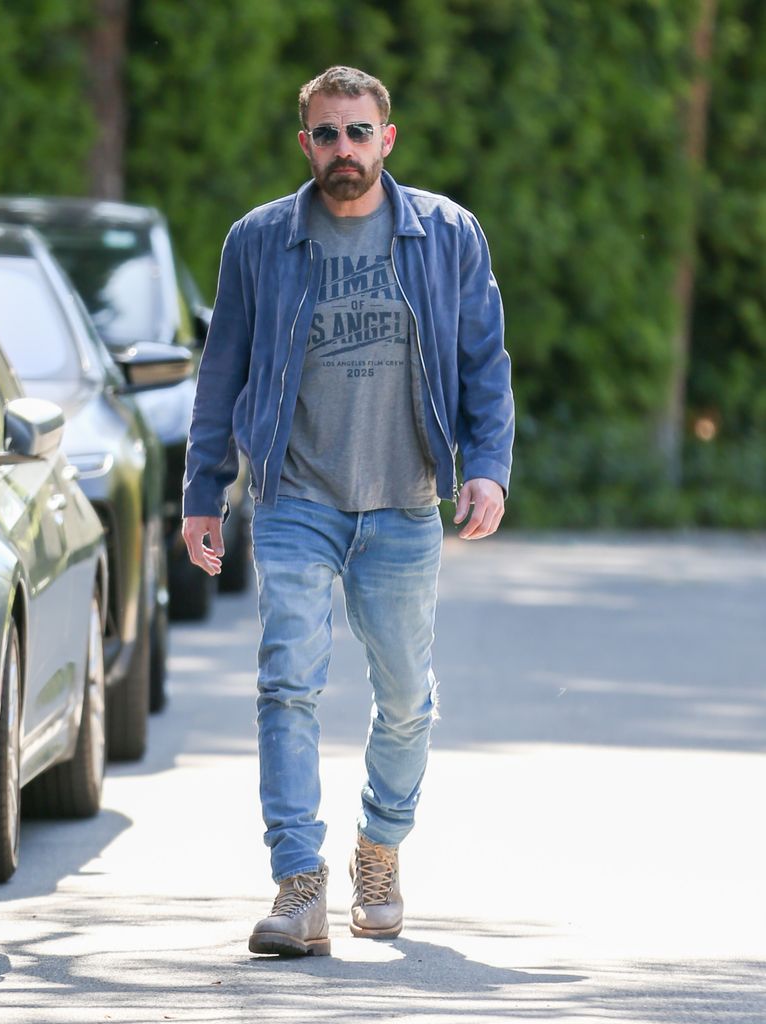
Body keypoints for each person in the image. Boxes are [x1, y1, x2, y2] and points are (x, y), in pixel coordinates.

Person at [182, 65, 514, 958]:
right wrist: (203, 492)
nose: (342, 151)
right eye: (325, 135)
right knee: (286, 684)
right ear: (305, 145)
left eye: (357, 133)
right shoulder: (259, 241)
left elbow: (485, 361)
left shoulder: (447, 235)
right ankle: (299, 885)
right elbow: (222, 373)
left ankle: (380, 848)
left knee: (406, 697)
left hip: (403, 503)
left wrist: (485, 469)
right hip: (296, 498)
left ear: (387, 139)